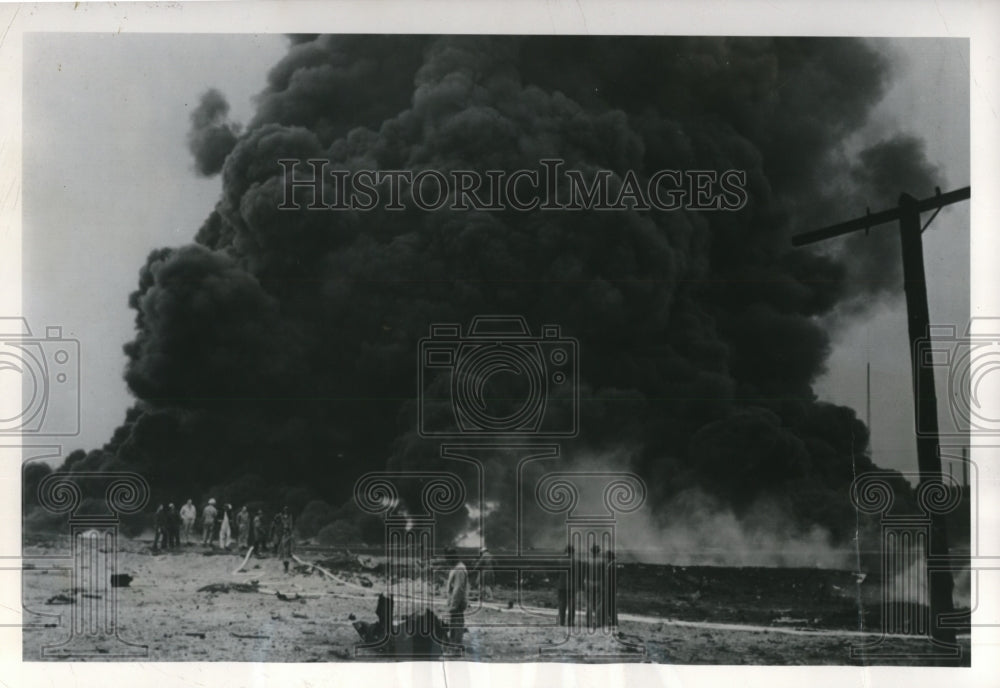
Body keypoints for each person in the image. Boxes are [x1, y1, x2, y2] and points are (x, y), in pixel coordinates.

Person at [444, 547, 468, 645]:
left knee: (457, 624)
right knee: (454, 624)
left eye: (448, 559)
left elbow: (458, 589)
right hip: (455, 602)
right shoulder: (456, 568)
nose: (447, 561)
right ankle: (454, 642)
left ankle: (456, 644)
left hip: (457, 603)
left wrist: (453, 605)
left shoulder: (459, 569)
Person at [557, 544, 576, 627]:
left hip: (561, 584)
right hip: (572, 585)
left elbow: (556, 573)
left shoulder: (559, 560)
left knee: (562, 603)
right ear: (573, 552)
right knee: (572, 603)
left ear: (565, 551)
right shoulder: (576, 562)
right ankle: (571, 622)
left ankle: (562, 621)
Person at [277, 506, 295, 573]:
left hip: (288, 531)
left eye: (286, 509)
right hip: (284, 531)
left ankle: (286, 568)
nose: (286, 510)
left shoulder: (289, 516)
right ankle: (285, 568)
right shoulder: (282, 517)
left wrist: (290, 530)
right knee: (284, 557)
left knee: (286, 556)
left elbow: (290, 524)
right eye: (285, 509)